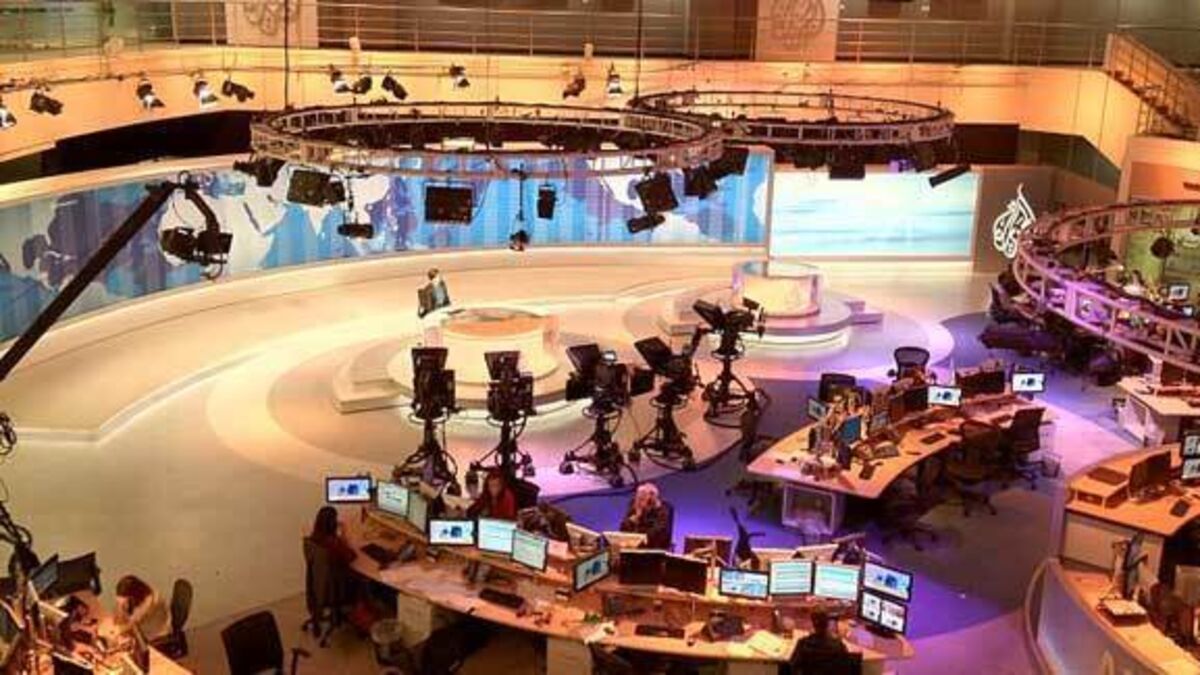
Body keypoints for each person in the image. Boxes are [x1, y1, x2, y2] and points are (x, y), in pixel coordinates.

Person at [114, 575, 170, 641]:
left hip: (159, 638)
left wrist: (121, 607)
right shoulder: (139, 599)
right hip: (146, 635)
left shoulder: (150, 601)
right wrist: (120, 605)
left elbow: (127, 627)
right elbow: (118, 620)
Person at [620, 483, 673, 550]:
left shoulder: (663, 511)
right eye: (638, 497)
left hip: (653, 549)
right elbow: (623, 529)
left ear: (652, 499)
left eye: (642, 498)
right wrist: (635, 517)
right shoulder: (635, 505)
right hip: (632, 547)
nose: (638, 502)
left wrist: (637, 534)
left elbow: (654, 535)